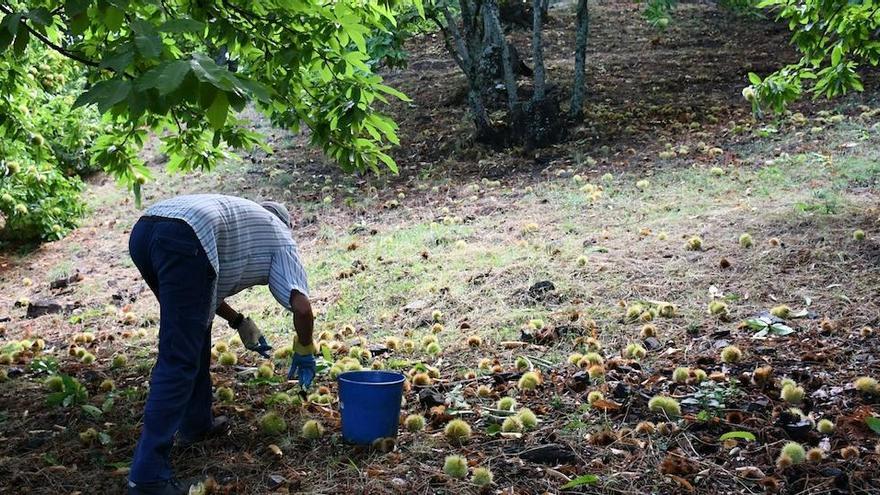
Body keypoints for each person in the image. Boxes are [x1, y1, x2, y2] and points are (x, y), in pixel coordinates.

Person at [125, 194, 316, 495]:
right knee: (179, 357)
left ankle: (197, 424)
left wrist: (239, 321)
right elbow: (303, 308)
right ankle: (148, 477)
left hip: (146, 231)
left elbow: (203, 292)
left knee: (192, 332)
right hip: (184, 235)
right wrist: (305, 349)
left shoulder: (243, 222)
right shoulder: (281, 237)